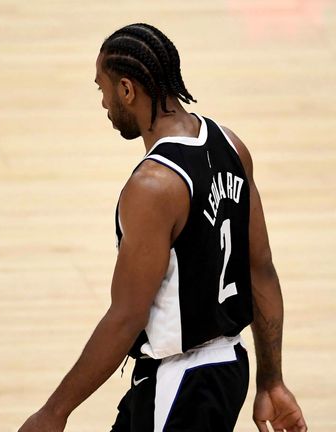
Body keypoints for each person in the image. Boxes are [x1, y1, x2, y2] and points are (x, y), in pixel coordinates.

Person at [17, 23, 307, 432]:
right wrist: (271, 380)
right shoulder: (230, 145)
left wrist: (54, 412)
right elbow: (261, 269)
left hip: (181, 383)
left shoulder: (153, 186)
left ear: (128, 90)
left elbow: (126, 315)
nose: (102, 102)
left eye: (102, 88)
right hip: (225, 369)